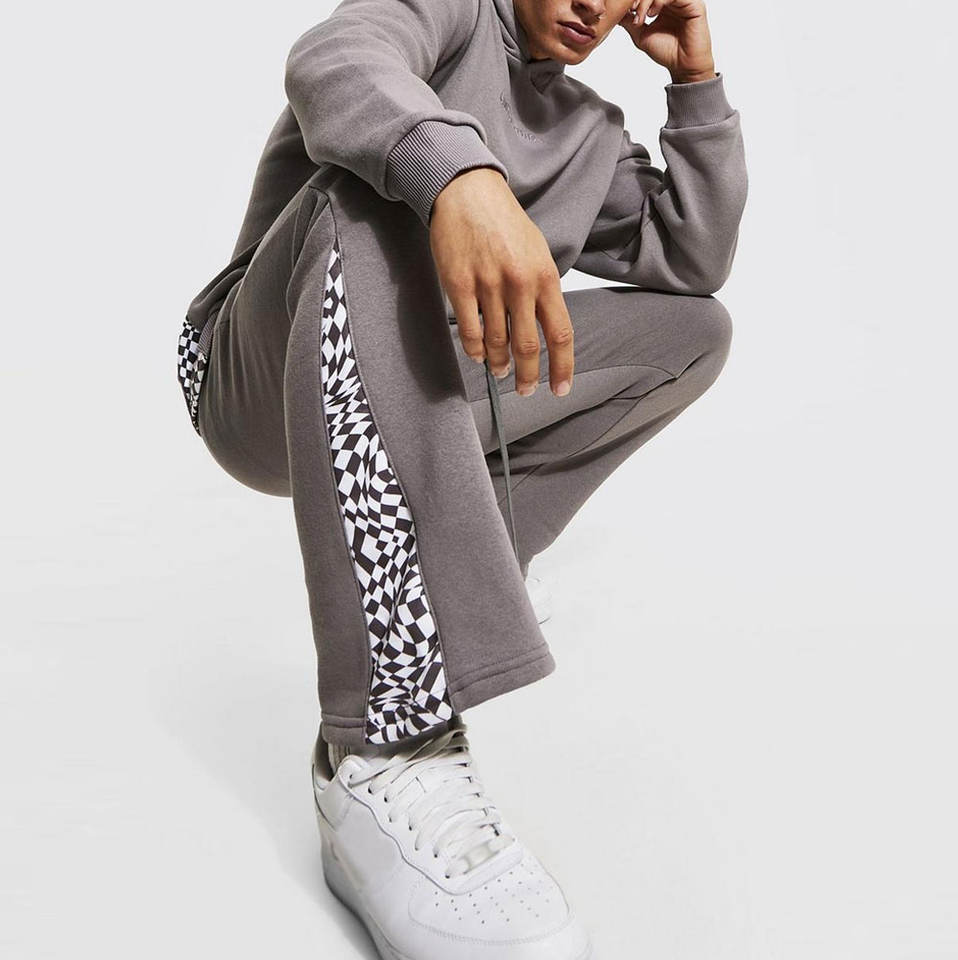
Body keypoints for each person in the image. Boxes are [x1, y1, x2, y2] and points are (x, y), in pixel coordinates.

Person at [177, 0, 747, 955]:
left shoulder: (586, 133)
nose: (591, 4)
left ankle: (441, 582)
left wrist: (695, 85)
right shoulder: (448, 13)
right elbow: (333, 57)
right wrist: (457, 178)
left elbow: (689, 258)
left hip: (420, 390)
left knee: (689, 334)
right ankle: (385, 743)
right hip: (257, 375)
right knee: (369, 201)